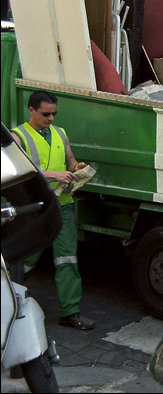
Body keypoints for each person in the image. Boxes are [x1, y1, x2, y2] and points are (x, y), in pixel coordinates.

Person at [10, 90, 95, 330]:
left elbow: (70, 160)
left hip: (62, 206)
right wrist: (53, 175)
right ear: (31, 110)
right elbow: (19, 170)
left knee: (67, 259)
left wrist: (77, 167)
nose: (51, 119)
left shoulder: (60, 134)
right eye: (46, 114)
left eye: (54, 114)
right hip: (34, 208)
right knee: (24, 260)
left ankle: (70, 312)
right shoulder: (18, 137)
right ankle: (6, 300)